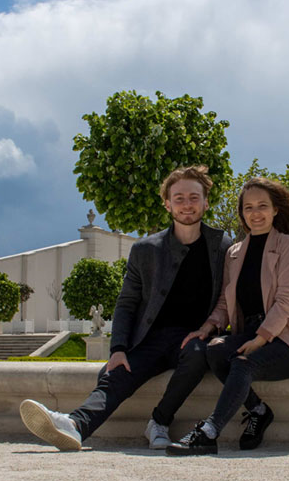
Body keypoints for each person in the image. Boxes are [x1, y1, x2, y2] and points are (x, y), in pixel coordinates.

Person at [19, 166, 233, 451]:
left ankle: (159, 422)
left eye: (194, 197)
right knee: (118, 374)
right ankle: (75, 425)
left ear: (206, 202)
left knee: (196, 355)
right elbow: (127, 302)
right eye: (178, 198)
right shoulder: (146, 249)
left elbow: (227, 298)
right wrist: (117, 348)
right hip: (149, 338)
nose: (186, 205)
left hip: (193, 338)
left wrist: (209, 329)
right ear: (167, 203)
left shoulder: (223, 245)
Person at [166, 177, 289, 456]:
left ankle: (209, 432)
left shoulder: (287, 245)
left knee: (243, 364)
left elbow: (286, 301)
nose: (255, 213)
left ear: (275, 211)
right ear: (241, 213)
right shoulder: (234, 253)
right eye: (248, 207)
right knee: (215, 351)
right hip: (251, 330)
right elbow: (225, 299)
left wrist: (261, 339)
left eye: (262, 206)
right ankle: (258, 411)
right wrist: (208, 326)